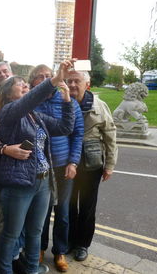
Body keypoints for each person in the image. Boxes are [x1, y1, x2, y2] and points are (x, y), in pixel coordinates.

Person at [0, 60, 75, 274]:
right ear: (7, 92)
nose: (24, 85)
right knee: (12, 234)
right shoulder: (9, 112)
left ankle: (31, 269)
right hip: (19, 184)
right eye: (19, 83)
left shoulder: (36, 116)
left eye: (26, 84)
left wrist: (67, 100)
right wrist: (55, 79)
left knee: (35, 231)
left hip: (43, 182)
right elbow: (30, 100)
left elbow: (65, 127)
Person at [26, 65, 84, 273]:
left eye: (49, 76)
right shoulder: (31, 103)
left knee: (63, 211)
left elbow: (77, 134)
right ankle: (40, 249)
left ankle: (59, 251)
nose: (45, 79)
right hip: (41, 166)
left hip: (63, 165)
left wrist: (73, 162)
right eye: (40, 77)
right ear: (33, 82)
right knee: (41, 211)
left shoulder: (69, 101)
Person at [67, 71, 118, 262]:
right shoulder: (62, 102)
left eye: (76, 81)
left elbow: (110, 137)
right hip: (67, 163)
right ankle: (69, 241)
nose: (72, 84)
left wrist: (110, 165)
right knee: (68, 206)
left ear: (86, 84)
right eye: (69, 80)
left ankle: (82, 245)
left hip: (92, 163)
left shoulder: (100, 106)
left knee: (87, 207)